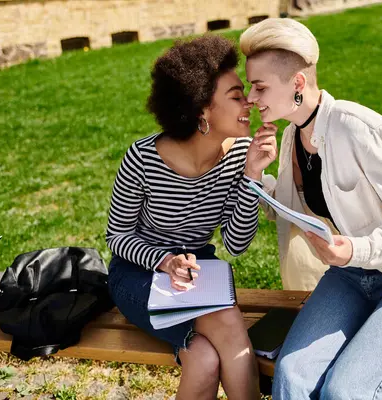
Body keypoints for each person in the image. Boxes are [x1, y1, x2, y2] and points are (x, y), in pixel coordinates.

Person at [240, 18, 382, 399]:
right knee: (291, 374)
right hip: (350, 277)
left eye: (260, 87)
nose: (251, 98)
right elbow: (286, 210)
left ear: (298, 84)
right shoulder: (292, 137)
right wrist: (255, 173)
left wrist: (355, 249)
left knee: (346, 391)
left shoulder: (359, 129)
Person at [105, 35, 277, 400]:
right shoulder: (142, 158)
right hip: (138, 275)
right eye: (235, 95)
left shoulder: (239, 156)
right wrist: (164, 261)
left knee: (203, 358)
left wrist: (252, 176)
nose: (249, 102)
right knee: (229, 323)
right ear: (202, 110)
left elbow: (235, 244)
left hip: (201, 274)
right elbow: (116, 237)